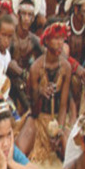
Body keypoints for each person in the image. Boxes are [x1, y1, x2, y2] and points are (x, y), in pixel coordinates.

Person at [28, 21, 72, 161]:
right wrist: (39, 92)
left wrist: (59, 130)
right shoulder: (36, 68)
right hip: (39, 118)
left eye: (62, 38)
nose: (60, 43)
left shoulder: (66, 67)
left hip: (58, 118)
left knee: (67, 151)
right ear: (46, 40)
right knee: (23, 147)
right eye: (56, 38)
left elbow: (64, 106)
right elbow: (34, 111)